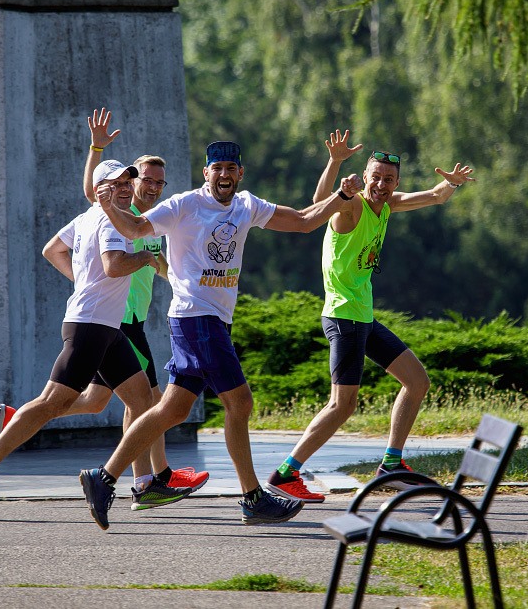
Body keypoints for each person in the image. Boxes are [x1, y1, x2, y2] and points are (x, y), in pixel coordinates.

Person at [78, 138, 364, 529]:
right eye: (218, 168)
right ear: (206, 172)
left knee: (172, 409)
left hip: (212, 321)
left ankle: (103, 477)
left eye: (231, 169)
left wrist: (341, 196)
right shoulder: (184, 205)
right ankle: (252, 498)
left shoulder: (247, 205)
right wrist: (108, 204)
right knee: (240, 402)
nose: (225, 175)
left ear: (239, 173)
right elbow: (138, 225)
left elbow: (302, 220)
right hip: (195, 317)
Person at [0, 109, 209, 499]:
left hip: (123, 320)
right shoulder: (118, 216)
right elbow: (97, 211)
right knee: (147, 401)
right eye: (143, 180)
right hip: (112, 320)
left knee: (99, 401)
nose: (150, 187)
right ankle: (152, 479)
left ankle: (18, 419)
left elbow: (159, 263)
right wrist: (97, 148)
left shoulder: (150, 218)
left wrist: (184, 282)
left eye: (158, 181)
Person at [266, 130, 474, 503]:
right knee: (341, 405)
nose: (381, 184)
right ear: (365, 177)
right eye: (375, 177)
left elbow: (435, 196)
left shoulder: (388, 205)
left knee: (417, 381)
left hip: (363, 316)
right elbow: (318, 204)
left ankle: (391, 466)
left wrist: (451, 184)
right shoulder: (354, 207)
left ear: (396, 183)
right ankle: (285, 474)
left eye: (388, 179)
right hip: (343, 317)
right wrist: (334, 165)